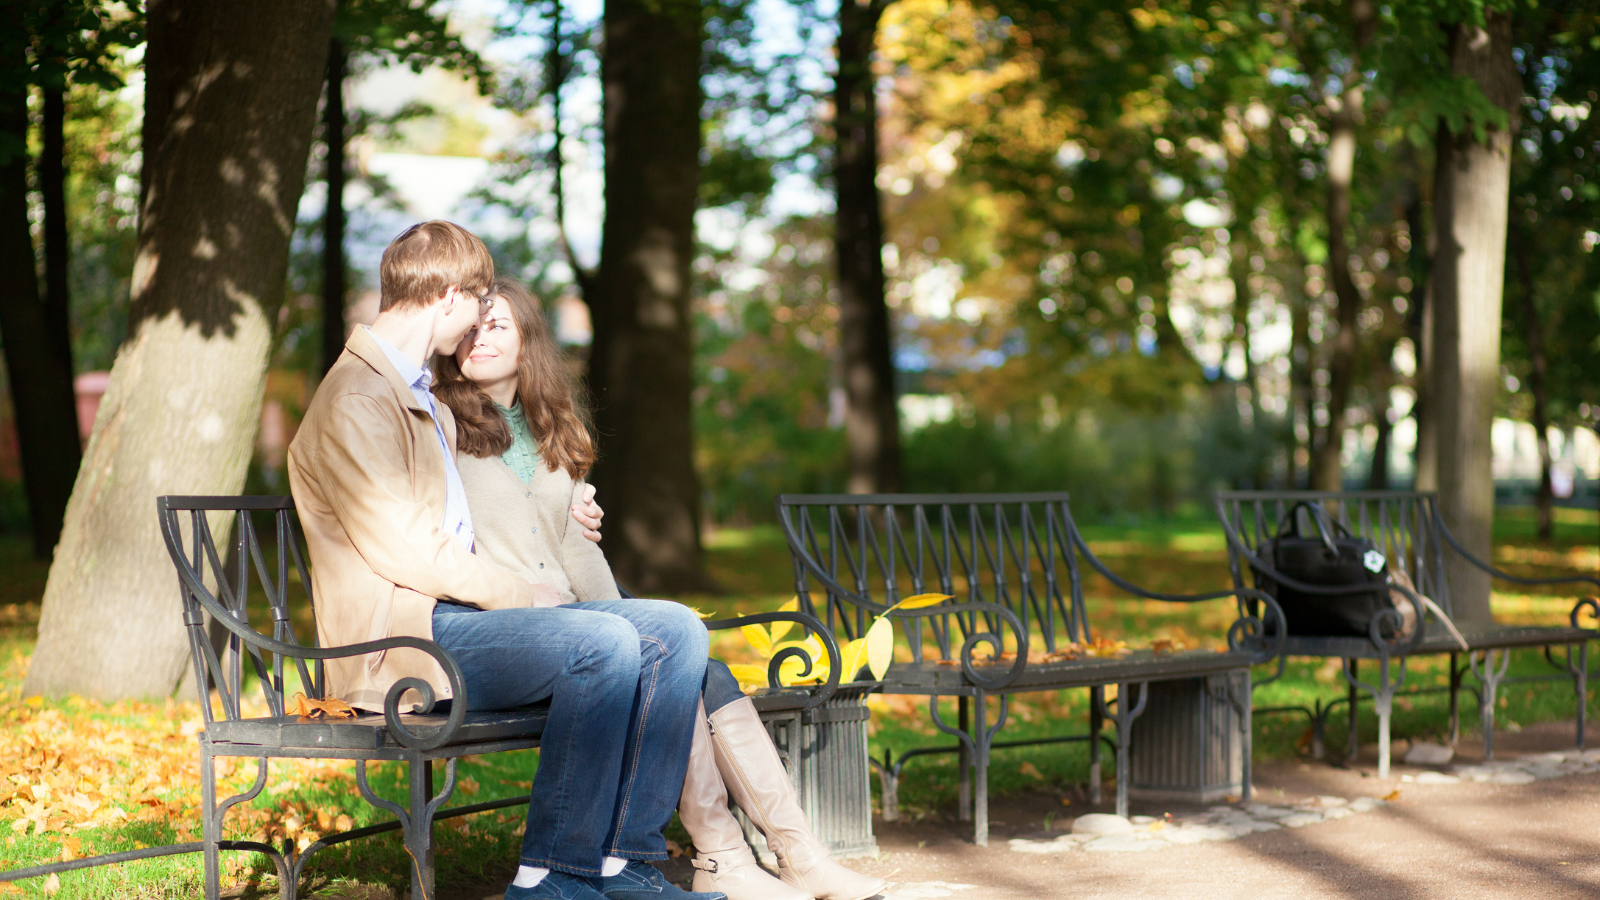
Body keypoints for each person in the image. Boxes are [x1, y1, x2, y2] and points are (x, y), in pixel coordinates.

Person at [287, 222, 721, 900]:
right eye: (478, 303)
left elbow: (496, 491)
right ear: (452, 296)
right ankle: (551, 875)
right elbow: (407, 550)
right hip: (401, 635)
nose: (475, 328)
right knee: (601, 641)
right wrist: (521, 594)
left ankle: (621, 859)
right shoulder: (358, 398)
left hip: (452, 614)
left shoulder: (414, 391)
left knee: (674, 631)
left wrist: (569, 501)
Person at [433, 276, 888, 900]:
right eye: (474, 326)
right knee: (673, 653)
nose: (482, 337)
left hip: (570, 628)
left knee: (695, 664)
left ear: (528, 340)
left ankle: (785, 853)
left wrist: (639, 636)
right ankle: (726, 857)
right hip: (491, 629)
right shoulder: (437, 421)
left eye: (499, 325)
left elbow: (573, 548)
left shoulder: (547, 431)